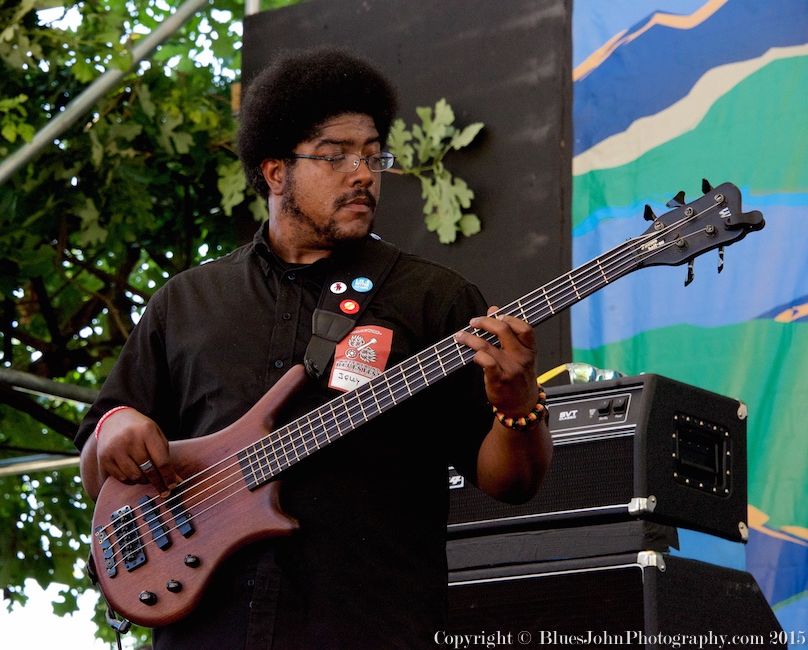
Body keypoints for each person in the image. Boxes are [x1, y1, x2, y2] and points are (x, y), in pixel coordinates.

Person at [75, 47, 553, 649]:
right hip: (207, 629)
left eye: (374, 155)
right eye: (336, 156)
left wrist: (517, 402)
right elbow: (100, 455)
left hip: (370, 622)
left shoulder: (435, 297)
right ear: (276, 173)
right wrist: (117, 428)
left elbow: (512, 482)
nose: (363, 174)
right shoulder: (188, 301)